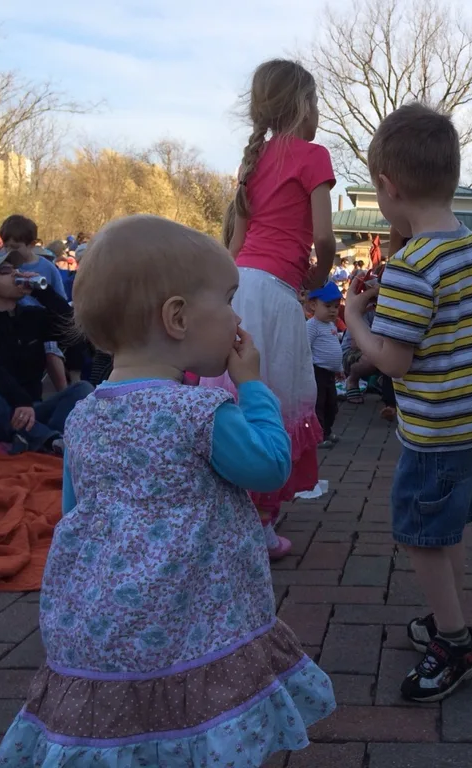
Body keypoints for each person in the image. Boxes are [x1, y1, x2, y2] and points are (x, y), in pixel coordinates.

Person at [0, 214, 335, 767]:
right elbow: (271, 466)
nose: (237, 316)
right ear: (177, 317)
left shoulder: (84, 415)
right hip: (197, 621)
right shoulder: (199, 413)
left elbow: (77, 514)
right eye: (227, 299)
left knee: (136, 728)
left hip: (107, 627)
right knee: (195, 720)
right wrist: (252, 385)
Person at [344, 103, 472, 702]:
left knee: (420, 534)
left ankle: (456, 641)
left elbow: (392, 360)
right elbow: (466, 319)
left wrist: (358, 316)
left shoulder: (410, 264)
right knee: (448, 528)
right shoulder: (471, 248)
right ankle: (447, 619)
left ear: (387, 186)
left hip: (434, 430)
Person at [200, 59, 336, 560]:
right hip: (277, 291)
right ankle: (260, 524)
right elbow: (323, 235)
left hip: (241, 288)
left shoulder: (251, 165)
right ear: (303, 105)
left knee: (235, 397)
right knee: (275, 400)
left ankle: (228, 514)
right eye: (316, 102)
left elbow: (233, 249)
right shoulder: (313, 156)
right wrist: (320, 276)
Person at [0, 251, 91, 453]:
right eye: (4, 271)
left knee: (83, 389)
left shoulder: (33, 317)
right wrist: (21, 401)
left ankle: (44, 440)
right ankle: (50, 439)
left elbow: (73, 328)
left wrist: (42, 292)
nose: (15, 275)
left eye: (17, 270)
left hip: (30, 412)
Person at [0, 215, 70, 392]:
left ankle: (64, 391)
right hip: (12, 320)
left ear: (31, 245)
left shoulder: (47, 268)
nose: (9, 251)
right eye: (6, 246)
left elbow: (59, 300)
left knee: (50, 350)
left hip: (41, 322)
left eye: (15, 247)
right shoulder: (2, 264)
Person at [306, 280, 343, 448]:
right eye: (328, 306)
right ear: (313, 305)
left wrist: (339, 368)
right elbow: (305, 347)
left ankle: (327, 431)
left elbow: (335, 346)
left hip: (329, 373)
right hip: (317, 371)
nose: (333, 310)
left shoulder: (331, 325)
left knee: (331, 404)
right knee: (318, 404)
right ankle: (318, 435)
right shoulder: (312, 326)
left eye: (335, 306)